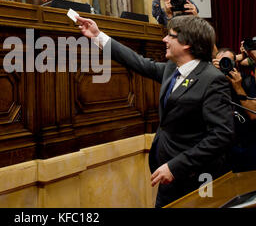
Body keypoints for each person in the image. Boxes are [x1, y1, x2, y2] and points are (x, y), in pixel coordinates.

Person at [75, 14, 234, 207]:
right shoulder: (172, 69)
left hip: (196, 177)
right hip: (169, 175)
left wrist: (176, 166)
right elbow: (137, 62)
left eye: (171, 35)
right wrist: (98, 35)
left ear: (187, 43)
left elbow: (221, 135)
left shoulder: (212, 79)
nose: (164, 39)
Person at [213, 48, 256, 171]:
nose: (224, 65)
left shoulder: (247, 81)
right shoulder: (211, 84)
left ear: (236, 63)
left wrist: (238, 88)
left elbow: (254, 115)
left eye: (228, 61)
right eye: (220, 63)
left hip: (247, 146)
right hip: (222, 149)